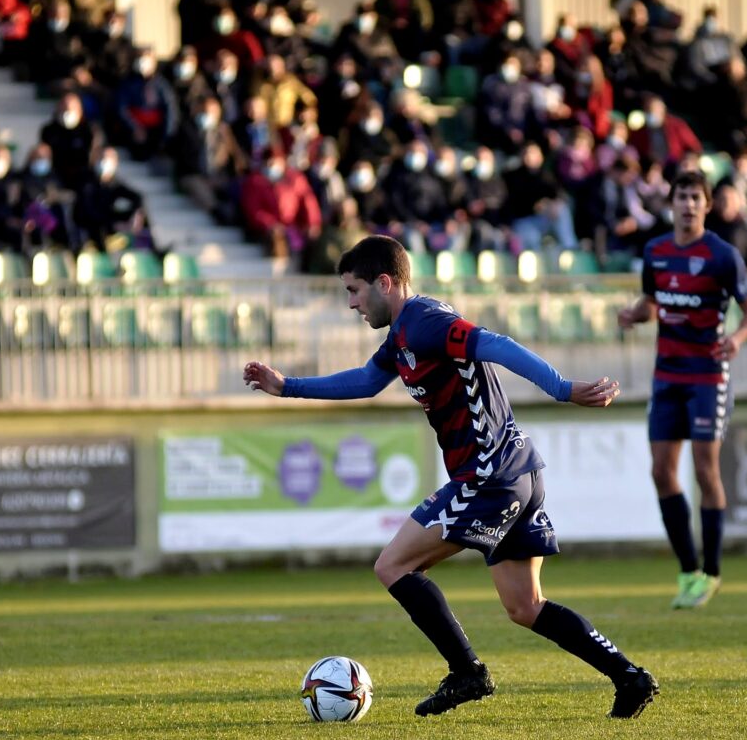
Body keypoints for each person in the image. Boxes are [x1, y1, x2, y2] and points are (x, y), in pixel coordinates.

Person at [244, 235, 659, 720]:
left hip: (490, 476)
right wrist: (287, 386)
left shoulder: (424, 322)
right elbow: (365, 380)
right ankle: (630, 677)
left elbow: (496, 344)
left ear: (385, 282)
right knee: (525, 606)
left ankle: (467, 672)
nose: (352, 303)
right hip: (517, 470)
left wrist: (564, 389)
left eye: (355, 291)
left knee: (392, 566)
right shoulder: (402, 336)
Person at [618, 170, 747, 609]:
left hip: (707, 375)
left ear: (707, 205)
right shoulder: (656, 251)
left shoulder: (721, 255)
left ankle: (712, 572)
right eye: (681, 197)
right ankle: (688, 570)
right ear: (672, 202)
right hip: (667, 376)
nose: (688, 205)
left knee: (704, 470)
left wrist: (736, 338)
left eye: (696, 198)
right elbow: (652, 304)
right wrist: (633, 314)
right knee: (662, 471)